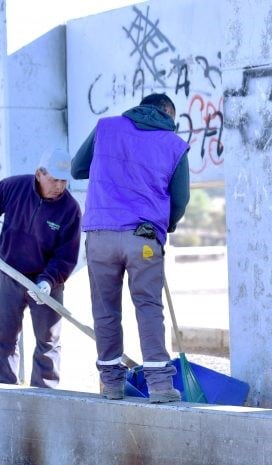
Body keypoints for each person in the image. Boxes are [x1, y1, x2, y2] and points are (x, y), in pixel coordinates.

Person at [72, 93, 190, 403]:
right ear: (166, 112)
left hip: (100, 235)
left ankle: (111, 384)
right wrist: (169, 224)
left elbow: (76, 168)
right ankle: (161, 387)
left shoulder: (106, 128)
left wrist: (111, 170)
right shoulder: (173, 144)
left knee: (105, 310)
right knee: (148, 307)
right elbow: (181, 198)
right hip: (144, 238)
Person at [0, 148, 82, 388]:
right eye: (55, 179)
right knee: (5, 336)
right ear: (39, 174)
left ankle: (45, 394)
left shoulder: (70, 209)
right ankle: (5, 389)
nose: (60, 186)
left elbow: (66, 255)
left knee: (48, 341)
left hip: (46, 283)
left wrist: (48, 281)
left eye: (64, 180)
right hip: (10, 274)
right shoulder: (13, 188)